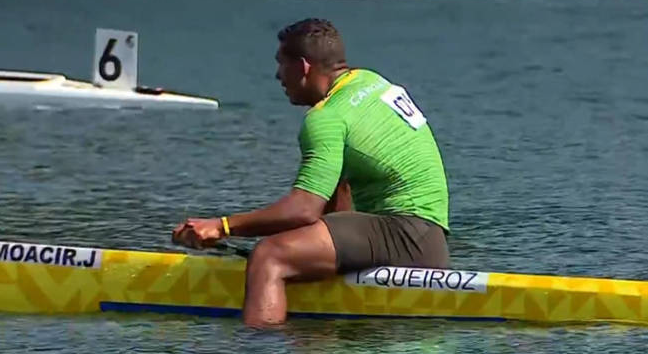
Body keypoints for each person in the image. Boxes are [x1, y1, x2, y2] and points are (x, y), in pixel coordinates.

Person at [172, 18, 450, 327]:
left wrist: (222, 226)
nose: (278, 75)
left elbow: (303, 210)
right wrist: (311, 246)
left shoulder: (326, 118)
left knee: (269, 256)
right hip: (429, 239)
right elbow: (337, 196)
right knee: (298, 246)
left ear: (303, 67)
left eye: (281, 64)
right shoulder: (370, 81)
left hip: (404, 237)